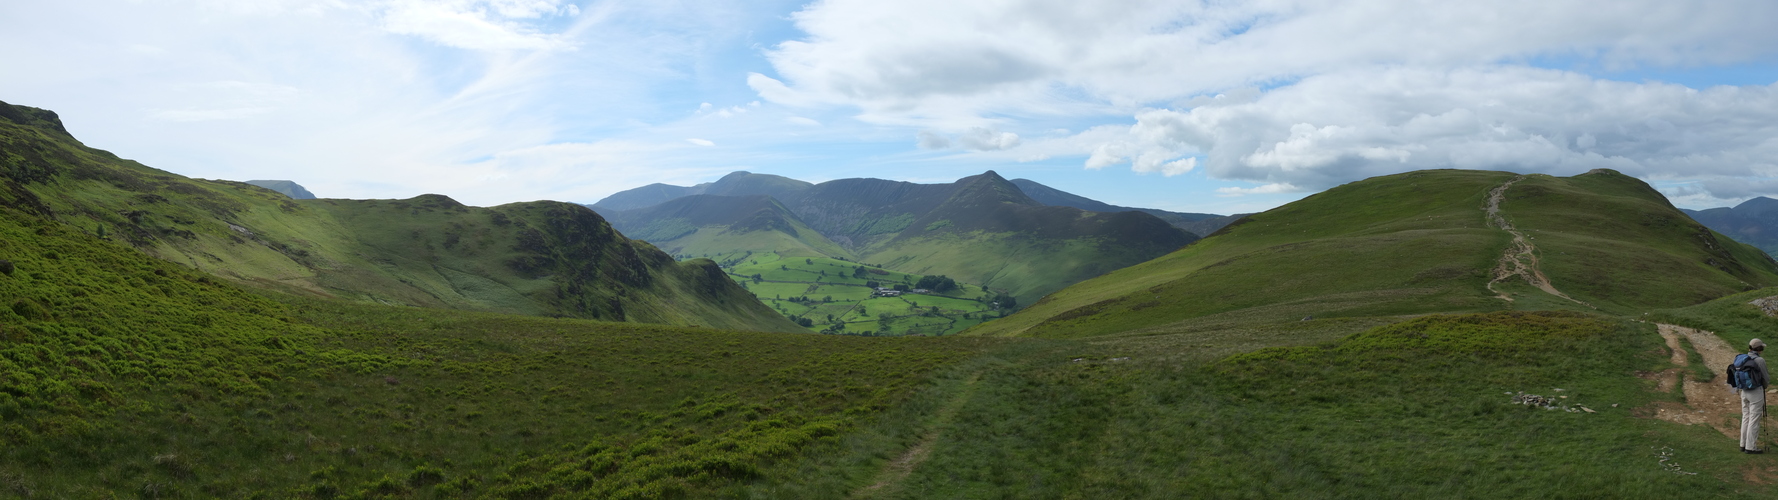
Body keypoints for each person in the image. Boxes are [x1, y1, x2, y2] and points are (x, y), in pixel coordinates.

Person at [1741, 339, 1771, 454]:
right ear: (1759, 349)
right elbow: (1766, 378)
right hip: (1755, 391)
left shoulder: (1744, 358)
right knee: (1754, 419)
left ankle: (1742, 444)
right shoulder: (1759, 360)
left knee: (1746, 417)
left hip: (1744, 391)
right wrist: (1764, 386)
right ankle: (1751, 447)